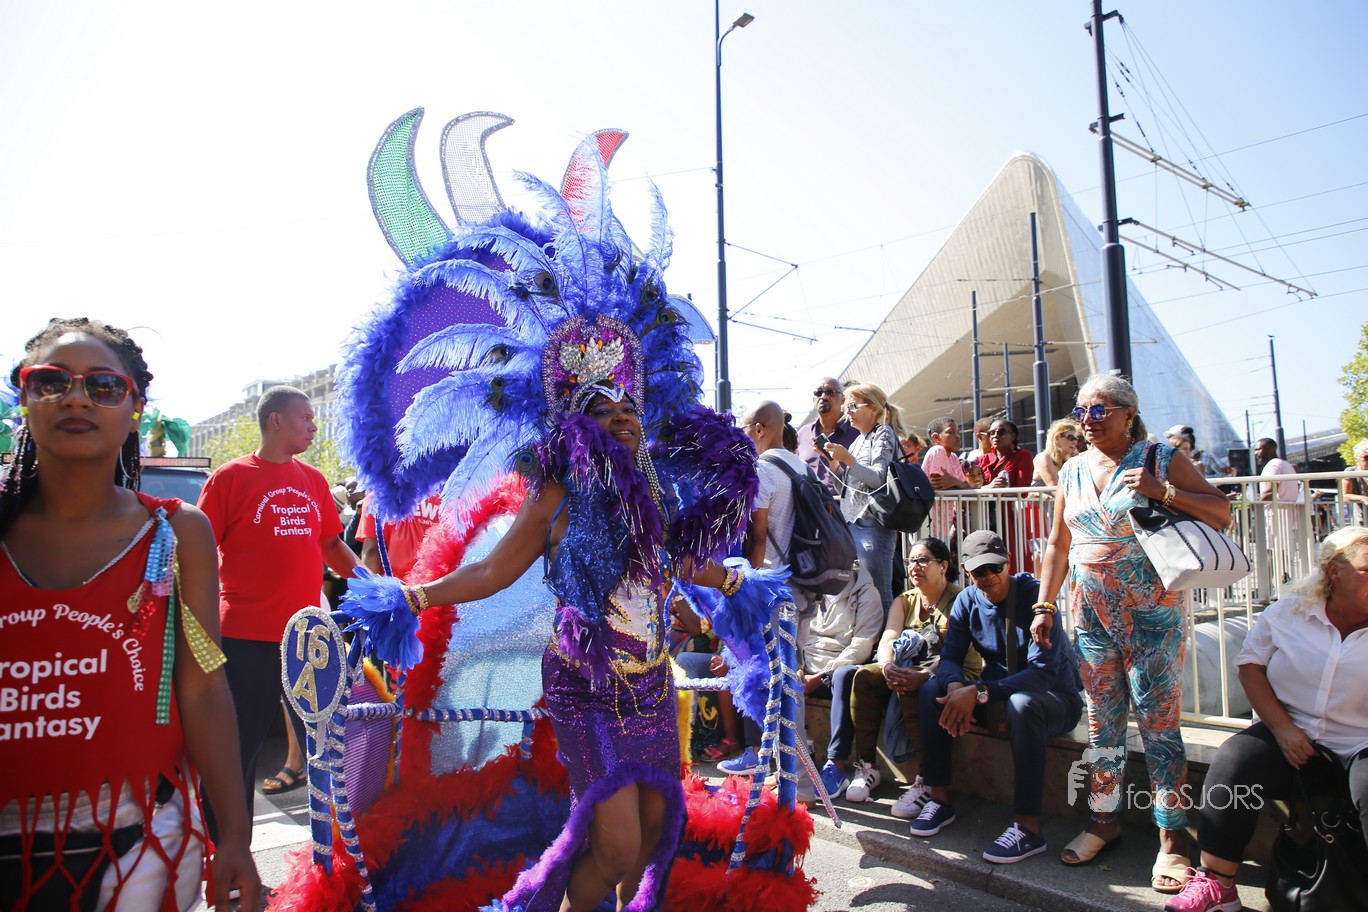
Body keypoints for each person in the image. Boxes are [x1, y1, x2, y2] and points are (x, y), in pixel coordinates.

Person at [347, 323, 759, 912]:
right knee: (615, 848)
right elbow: (493, 571)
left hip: (651, 684)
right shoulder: (555, 494)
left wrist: (744, 586)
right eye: (602, 409)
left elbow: (679, 561)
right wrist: (416, 597)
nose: (621, 417)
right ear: (576, 423)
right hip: (586, 686)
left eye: (629, 408)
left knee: (650, 838)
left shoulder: (655, 491)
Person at [0, 317, 259, 911]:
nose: (76, 398)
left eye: (103, 386)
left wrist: (235, 837)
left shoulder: (175, 532)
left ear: (136, 408)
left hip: (139, 846)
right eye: (51, 382)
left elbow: (202, 689)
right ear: (24, 398)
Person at [1033, 373, 1230, 893]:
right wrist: (1044, 605)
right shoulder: (1072, 468)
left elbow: (1221, 511)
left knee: (1160, 725)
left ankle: (1172, 838)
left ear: (1127, 413)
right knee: (1103, 724)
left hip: (1152, 617)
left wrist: (1163, 492)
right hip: (1090, 617)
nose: (1087, 420)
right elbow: (1057, 544)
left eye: (1098, 410)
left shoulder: (1159, 458)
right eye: (1081, 411)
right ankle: (1104, 820)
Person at [1161, 525, 1368, 912]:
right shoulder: (1290, 612)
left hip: (1362, 744)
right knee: (1236, 760)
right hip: (1295, 739)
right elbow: (1251, 667)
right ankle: (1218, 885)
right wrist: (1283, 730)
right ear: (1335, 572)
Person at [197, 385, 362, 835]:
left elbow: (332, 546)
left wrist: (375, 585)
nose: (313, 426)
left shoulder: (313, 479)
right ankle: (225, 849)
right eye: (305, 417)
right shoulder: (230, 478)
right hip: (244, 638)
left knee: (327, 745)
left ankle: (335, 849)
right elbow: (198, 552)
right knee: (237, 748)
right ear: (275, 420)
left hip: (308, 639)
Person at [908, 530, 1083, 864]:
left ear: (1008, 563)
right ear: (966, 571)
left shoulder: (1036, 598)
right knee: (932, 689)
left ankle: (1028, 828)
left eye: (995, 567)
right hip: (998, 693)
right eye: (979, 571)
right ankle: (939, 798)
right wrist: (955, 688)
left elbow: (1042, 674)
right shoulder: (967, 601)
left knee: (1023, 704)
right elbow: (951, 657)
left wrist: (980, 691)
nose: (988, 576)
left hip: (1052, 698)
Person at [824, 537, 981, 814]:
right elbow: (889, 637)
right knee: (864, 676)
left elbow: (956, 653)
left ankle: (925, 779)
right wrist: (886, 665)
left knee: (915, 685)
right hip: (910, 667)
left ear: (943, 566)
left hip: (951, 671)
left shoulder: (960, 599)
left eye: (923, 560)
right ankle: (867, 767)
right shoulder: (904, 600)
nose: (914, 567)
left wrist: (924, 673)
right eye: (911, 561)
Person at [820, 382, 904, 610]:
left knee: (878, 588)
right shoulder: (859, 439)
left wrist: (847, 459)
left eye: (854, 406)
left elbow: (878, 478)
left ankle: (886, 632)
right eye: (847, 407)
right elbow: (847, 488)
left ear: (874, 409)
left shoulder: (883, 433)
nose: (848, 412)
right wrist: (834, 462)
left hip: (872, 522)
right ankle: (874, 630)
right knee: (866, 589)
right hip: (855, 522)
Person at [796, 378, 858, 497]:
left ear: (843, 400)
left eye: (831, 392)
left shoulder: (856, 431)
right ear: (813, 399)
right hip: (811, 504)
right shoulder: (802, 434)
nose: (823, 397)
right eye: (818, 393)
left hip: (845, 502)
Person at [1032, 418, 1081, 487]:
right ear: (1057, 438)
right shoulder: (1043, 458)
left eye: (1076, 439)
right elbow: (1056, 489)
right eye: (1071, 438)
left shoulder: (1068, 460)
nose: (1074, 442)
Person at [1343, 440, 1368, 525]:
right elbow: (1345, 495)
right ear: (1356, 458)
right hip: (1362, 519)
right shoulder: (1351, 472)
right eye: (1366, 457)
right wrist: (1363, 498)